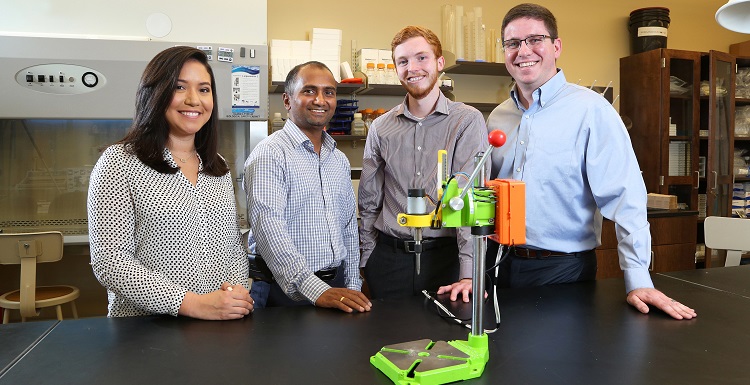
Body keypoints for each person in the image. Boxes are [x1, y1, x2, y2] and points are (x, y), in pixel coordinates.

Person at [487, 3, 696, 320]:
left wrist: (638, 279)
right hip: (499, 264)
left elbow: (625, 197)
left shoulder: (592, 110)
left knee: (557, 367)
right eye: (512, 43)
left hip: (562, 270)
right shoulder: (497, 117)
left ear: (556, 46)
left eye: (534, 40)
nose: (523, 51)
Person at [88, 46, 254, 320]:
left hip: (217, 329)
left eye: (204, 89)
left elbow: (233, 246)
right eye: (179, 87)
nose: (194, 100)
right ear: (155, 93)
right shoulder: (119, 162)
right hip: (145, 331)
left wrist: (234, 293)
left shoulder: (217, 166)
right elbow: (110, 262)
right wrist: (191, 304)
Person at [358, 26, 489, 301]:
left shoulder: (466, 121)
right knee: (386, 341)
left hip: (446, 260)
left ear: (439, 63)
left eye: (421, 58)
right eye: (403, 61)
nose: (412, 68)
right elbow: (370, 201)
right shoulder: (381, 128)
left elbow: (468, 201)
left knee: (446, 342)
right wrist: (367, 258)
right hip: (388, 261)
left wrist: (468, 273)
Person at [244, 61, 371, 313]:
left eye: (329, 92)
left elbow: (347, 227)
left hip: (334, 288)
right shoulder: (270, 154)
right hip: (281, 292)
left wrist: (353, 285)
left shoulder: (338, 159)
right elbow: (270, 231)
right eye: (309, 91)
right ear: (287, 100)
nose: (320, 100)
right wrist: (316, 290)